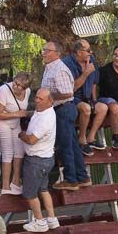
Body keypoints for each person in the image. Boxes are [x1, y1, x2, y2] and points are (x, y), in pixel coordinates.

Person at [40, 41, 89, 189]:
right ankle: (82, 176)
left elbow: (67, 92)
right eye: (44, 50)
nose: (44, 53)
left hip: (64, 109)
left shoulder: (59, 69)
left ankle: (71, 179)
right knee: (73, 145)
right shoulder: (50, 68)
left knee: (65, 145)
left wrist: (48, 96)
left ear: (57, 53)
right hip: (62, 109)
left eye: (47, 50)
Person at [17, 88, 59, 233]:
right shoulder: (42, 111)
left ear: (50, 101)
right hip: (46, 158)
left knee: (30, 194)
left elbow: (32, 140)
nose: (36, 101)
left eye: (41, 99)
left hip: (36, 161)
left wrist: (21, 134)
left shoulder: (46, 119)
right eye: (36, 98)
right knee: (43, 189)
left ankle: (40, 221)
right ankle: (52, 219)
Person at [0, 71, 31, 195]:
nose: (15, 86)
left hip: (15, 123)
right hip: (3, 123)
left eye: (19, 85)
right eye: (14, 83)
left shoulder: (28, 92)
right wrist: (16, 114)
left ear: (25, 88)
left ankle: (15, 181)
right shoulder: (3, 90)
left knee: (20, 151)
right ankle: (5, 186)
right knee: (7, 153)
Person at [63, 39, 101, 150]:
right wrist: (85, 73)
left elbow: (94, 83)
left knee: (103, 108)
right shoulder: (67, 64)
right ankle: (82, 139)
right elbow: (72, 88)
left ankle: (91, 137)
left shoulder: (91, 60)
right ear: (79, 52)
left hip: (88, 97)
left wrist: (94, 100)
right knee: (86, 108)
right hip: (72, 98)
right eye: (88, 50)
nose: (91, 52)